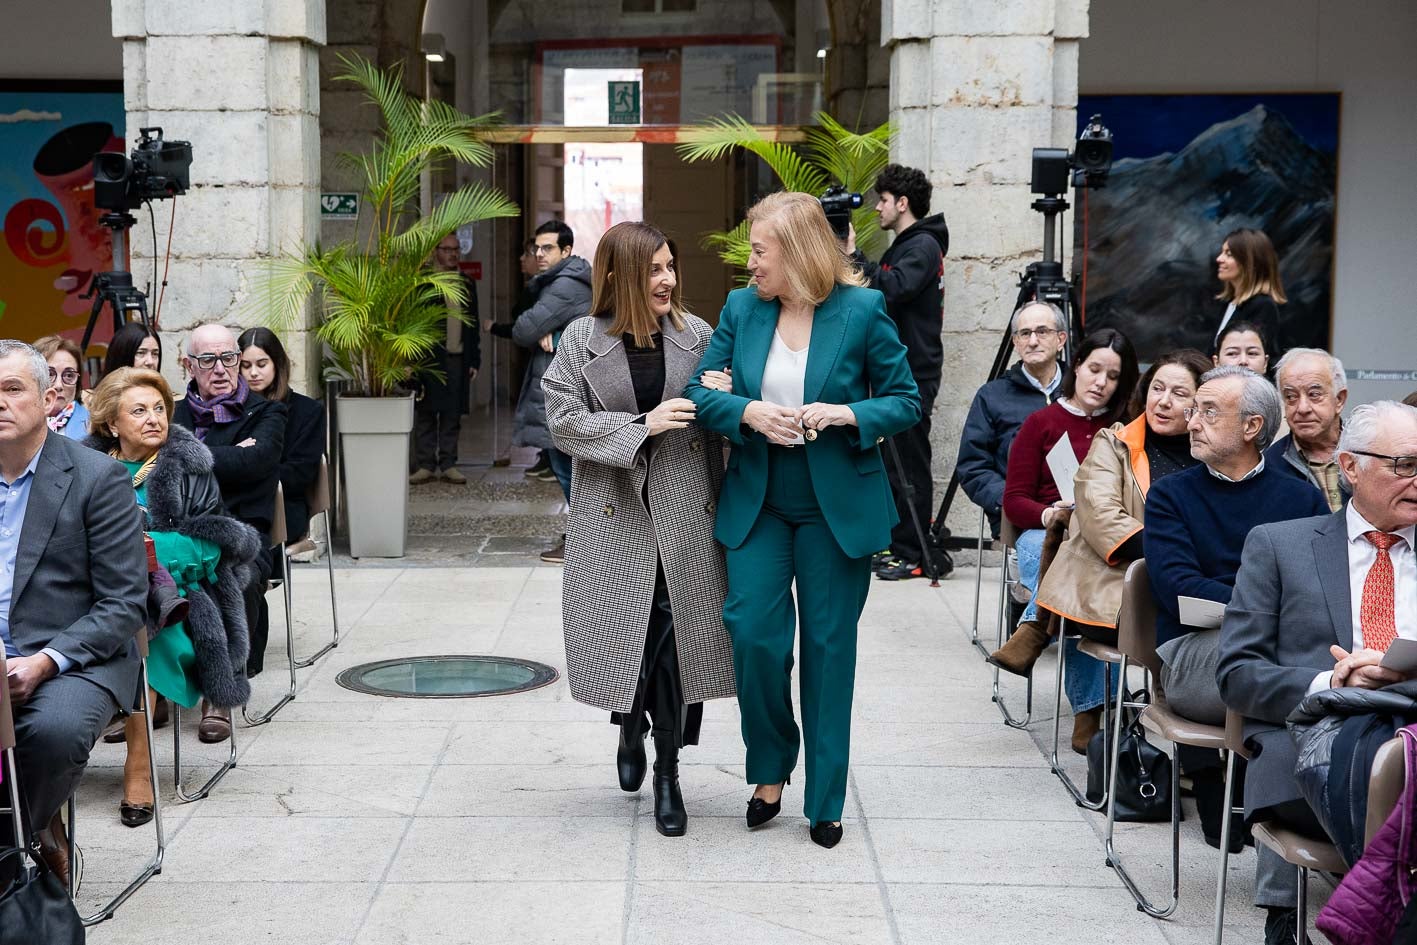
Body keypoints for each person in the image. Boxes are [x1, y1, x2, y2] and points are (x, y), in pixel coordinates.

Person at [686, 191, 920, 849]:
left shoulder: (863, 311)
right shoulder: (741, 308)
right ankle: (769, 765)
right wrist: (745, 412)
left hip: (835, 502)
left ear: (797, 251)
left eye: (759, 249)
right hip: (759, 496)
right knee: (752, 632)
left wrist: (848, 414)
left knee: (827, 648)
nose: (750, 261)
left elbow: (904, 400)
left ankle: (824, 799)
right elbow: (699, 391)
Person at [541, 222, 736, 837]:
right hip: (611, 516)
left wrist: (726, 402)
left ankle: (669, 773)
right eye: (655, 269)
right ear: (621, 276)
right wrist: (643, 425)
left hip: (686, 513)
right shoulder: (579, 339)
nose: (669, 280)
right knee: (632, 635)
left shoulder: (697, 335)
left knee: (674, 643)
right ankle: (629, 725)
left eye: (672, 266)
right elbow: (564, 425)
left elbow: (722, 424)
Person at [1219, 400, 1417, 944]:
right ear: (1350, 467)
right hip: (1312, 735)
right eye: (1405, 465)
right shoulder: (1281, 545)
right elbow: (1236, 674)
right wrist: (1332, 682)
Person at [1143, 366, 1328, 878]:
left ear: (1251, 428)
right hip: (1193, 652)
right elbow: (1177, 588)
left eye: (1207, 410)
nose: (1191, 419)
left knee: (1307, 687)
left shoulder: (1300, 496)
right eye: (1193, 409)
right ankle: (1235, 791)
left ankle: (1279, 817)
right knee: (1302, 683)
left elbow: (1318, 588)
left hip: (1272, 655)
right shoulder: (1170, 495)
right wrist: (1267, 610)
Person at [82, 368, 262, 827]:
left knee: (140, 620)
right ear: (111, 423)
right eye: (138, 410)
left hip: (178, 598)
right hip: (92, 592)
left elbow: (207, 546)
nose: (153, 419)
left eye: (159, 408)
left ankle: (138, 765)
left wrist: (140, 551)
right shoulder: (84, 467)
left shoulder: (189, 465)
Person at [0, 340, 147, 883]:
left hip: (73, 656)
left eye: (12, 389)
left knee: (54, 731)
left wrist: (44, 661)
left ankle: (14, 845)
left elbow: (124, 602)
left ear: (49, 396)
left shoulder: (96, 479)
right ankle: (31, 832)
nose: (0, 402)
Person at [994, 350, 1210, 674]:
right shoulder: (1114, 441)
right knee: (1067, 535)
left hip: (1192, 587)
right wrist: (1175, 553)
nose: (1163, 401)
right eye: (1157, 388)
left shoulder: (1214, 455)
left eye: (1179, 394)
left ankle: (1040, 627)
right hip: (1119, 582)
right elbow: (1100, 514)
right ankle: (1096, 710)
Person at [988, 329, 1139, 752]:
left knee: (1096, 575)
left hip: (1104, 536)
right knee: (1053, 560)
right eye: (1094, 369)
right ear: (1076, 365)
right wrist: (1050, 512)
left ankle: (1038, 625)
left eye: (1112, 376)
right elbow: (1014, 499)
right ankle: (1093, 706)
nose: (1100, 382)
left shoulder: (1124, 428)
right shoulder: (1042, 423)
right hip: (1048, 527)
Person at [172, 324, 287, 741]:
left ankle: (219, 691)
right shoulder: (171, 414)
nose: (220, 369)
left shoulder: (267, 412)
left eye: (228, 358)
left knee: (230, 579)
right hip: (178, 534)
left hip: (242, 538)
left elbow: (256, 465)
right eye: (207, 360)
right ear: (188, 365)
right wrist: (229, 456)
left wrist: (184, 457)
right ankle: (147, 695)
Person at [845, 164, 950, 580]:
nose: (877, 210)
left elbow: (891, 291)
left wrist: (854, 256)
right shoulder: (910, 245)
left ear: (902, 203)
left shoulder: (921, 245)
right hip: (901, 369)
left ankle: (913, 552)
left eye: (883, 201)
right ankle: (899, 545)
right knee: (895, 463)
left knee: (909, 462)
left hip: (913, 372)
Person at [510, 221, 592, 563]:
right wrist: (556, 329)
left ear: (566, 252)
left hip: (564, 391)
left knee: (567, 468)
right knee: (565, 467)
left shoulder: (565, 285)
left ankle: (585, 539)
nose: (539, 255)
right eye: (536, 249)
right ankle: (582, 535)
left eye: (548, 249)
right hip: (562, 385)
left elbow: (523, 329)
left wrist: (550, 332)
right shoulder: (558, 282)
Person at [955, 300, 1068, 539]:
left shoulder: (1081, 391)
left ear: (1061, 339)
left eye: (1042, 331)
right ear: (1016, 342)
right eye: (1025, 333)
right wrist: (1012, 500)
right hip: (1018, 518)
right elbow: (972, 466)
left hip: (1079, 511)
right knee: (1040, 553)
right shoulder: (992, 396)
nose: (1033, 340)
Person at [238, 327, 327, 551]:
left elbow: (301, 473)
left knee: (245, 532)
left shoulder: (309, 411)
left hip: (285, 505)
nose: (253, 373)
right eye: (245, 366)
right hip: (237, 502)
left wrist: (247, 476)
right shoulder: (231, 409)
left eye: (262, 364)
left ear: (277, 363)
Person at [410, 233, 481, 485]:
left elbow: (473, 324)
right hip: (430, 359)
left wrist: (475, 360)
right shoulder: (423, 284)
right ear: (435, 252)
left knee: (452, 414)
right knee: (427, 413)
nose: (453, 254)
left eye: (456, 249)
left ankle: (449, 463)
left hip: (458, 358)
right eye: (447, 249)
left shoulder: (466, 283)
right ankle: (425, 464)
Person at [1266, 347, 1350, 512]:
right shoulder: (1270, 465)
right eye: (1291, 397)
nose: (1302, 408)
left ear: (1339, 399)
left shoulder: (1368, 451)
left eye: (1314, 394)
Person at [1213, 227, 1286, 356]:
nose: (1219, 259)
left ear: (1249, 262)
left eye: (1229, 254)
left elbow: (1251, 360)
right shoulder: (1228, 303)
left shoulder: (1263, 306)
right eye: (1222, 252)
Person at [32, 334, 90, 440]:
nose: (58, 385)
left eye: (69, 375)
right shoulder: (11, 423)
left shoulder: (94, 425)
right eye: (49, 374)